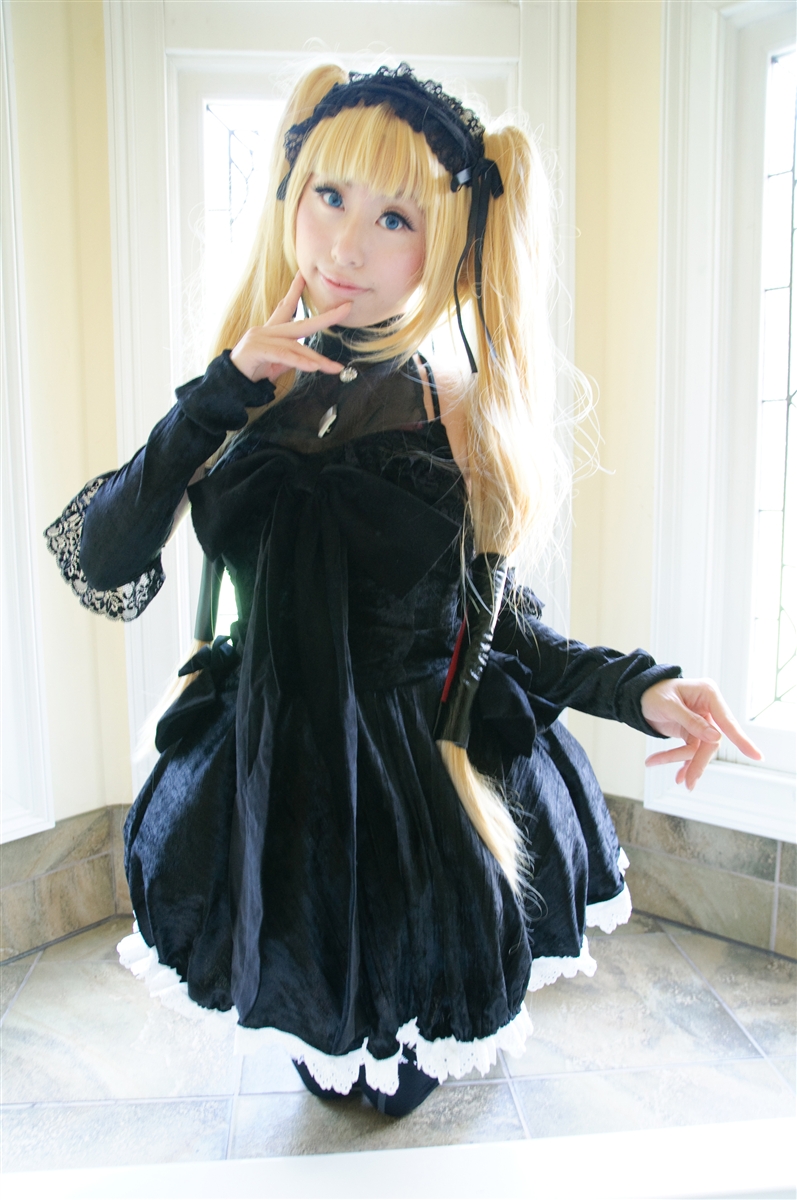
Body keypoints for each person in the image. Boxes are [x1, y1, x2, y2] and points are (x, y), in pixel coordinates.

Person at [44, 63, 761, 1117]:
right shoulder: (235, 394)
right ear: (290, 194)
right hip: (268, 759)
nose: (344, 245)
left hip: (407, 772)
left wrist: (640, 689)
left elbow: (502, 631)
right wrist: (218, 394)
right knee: (309, 1023)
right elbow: (103, 561)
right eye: (327, 195)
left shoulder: (460, 412)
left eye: (393, 218)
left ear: (448, 245)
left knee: (392, 1082)